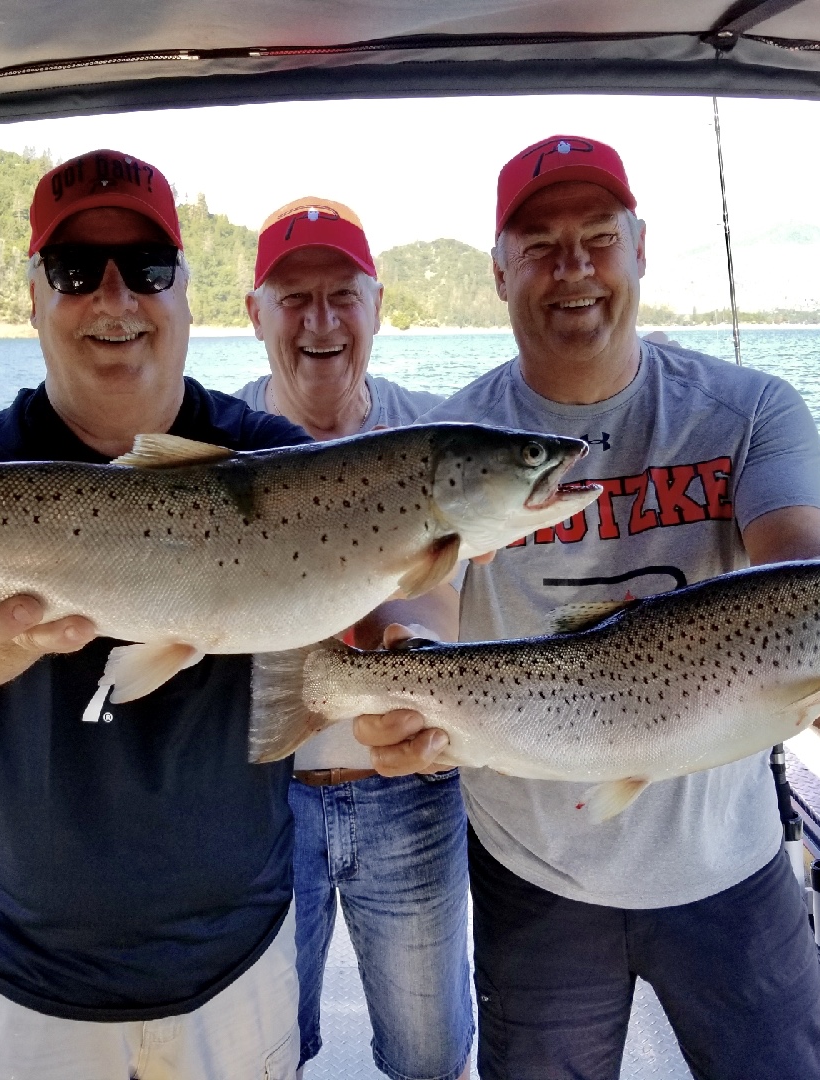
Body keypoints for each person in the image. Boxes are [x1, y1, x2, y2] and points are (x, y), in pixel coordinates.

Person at [356, 136, 820, 1079]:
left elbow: (806, 559)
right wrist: (400, 676)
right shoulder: (445, 448)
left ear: (640, 249)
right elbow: (421, 607)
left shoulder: (750, 412)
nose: (574, 269)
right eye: (541, 246)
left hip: (731, 864)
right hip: (534, 874)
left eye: (598, 238)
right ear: (500, 269)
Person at [0, 149, 311, 1080]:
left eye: (148, 268)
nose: (116, 298)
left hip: (232, 961)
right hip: (13, 977)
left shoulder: (274, 462)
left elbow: (355, 613)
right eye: (78, 270)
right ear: (34, 297)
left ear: (188, 294)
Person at [235, 197, 474, 1080]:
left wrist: (403, 653)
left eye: (343, 295)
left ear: (378, 305)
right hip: (256, 795)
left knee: (429, 1054)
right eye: (294, 299)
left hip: (408, 794)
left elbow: (439, 602)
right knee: (265, 1048)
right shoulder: (212, 444)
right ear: (254, 313)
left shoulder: (437, 436)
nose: (321, 322)